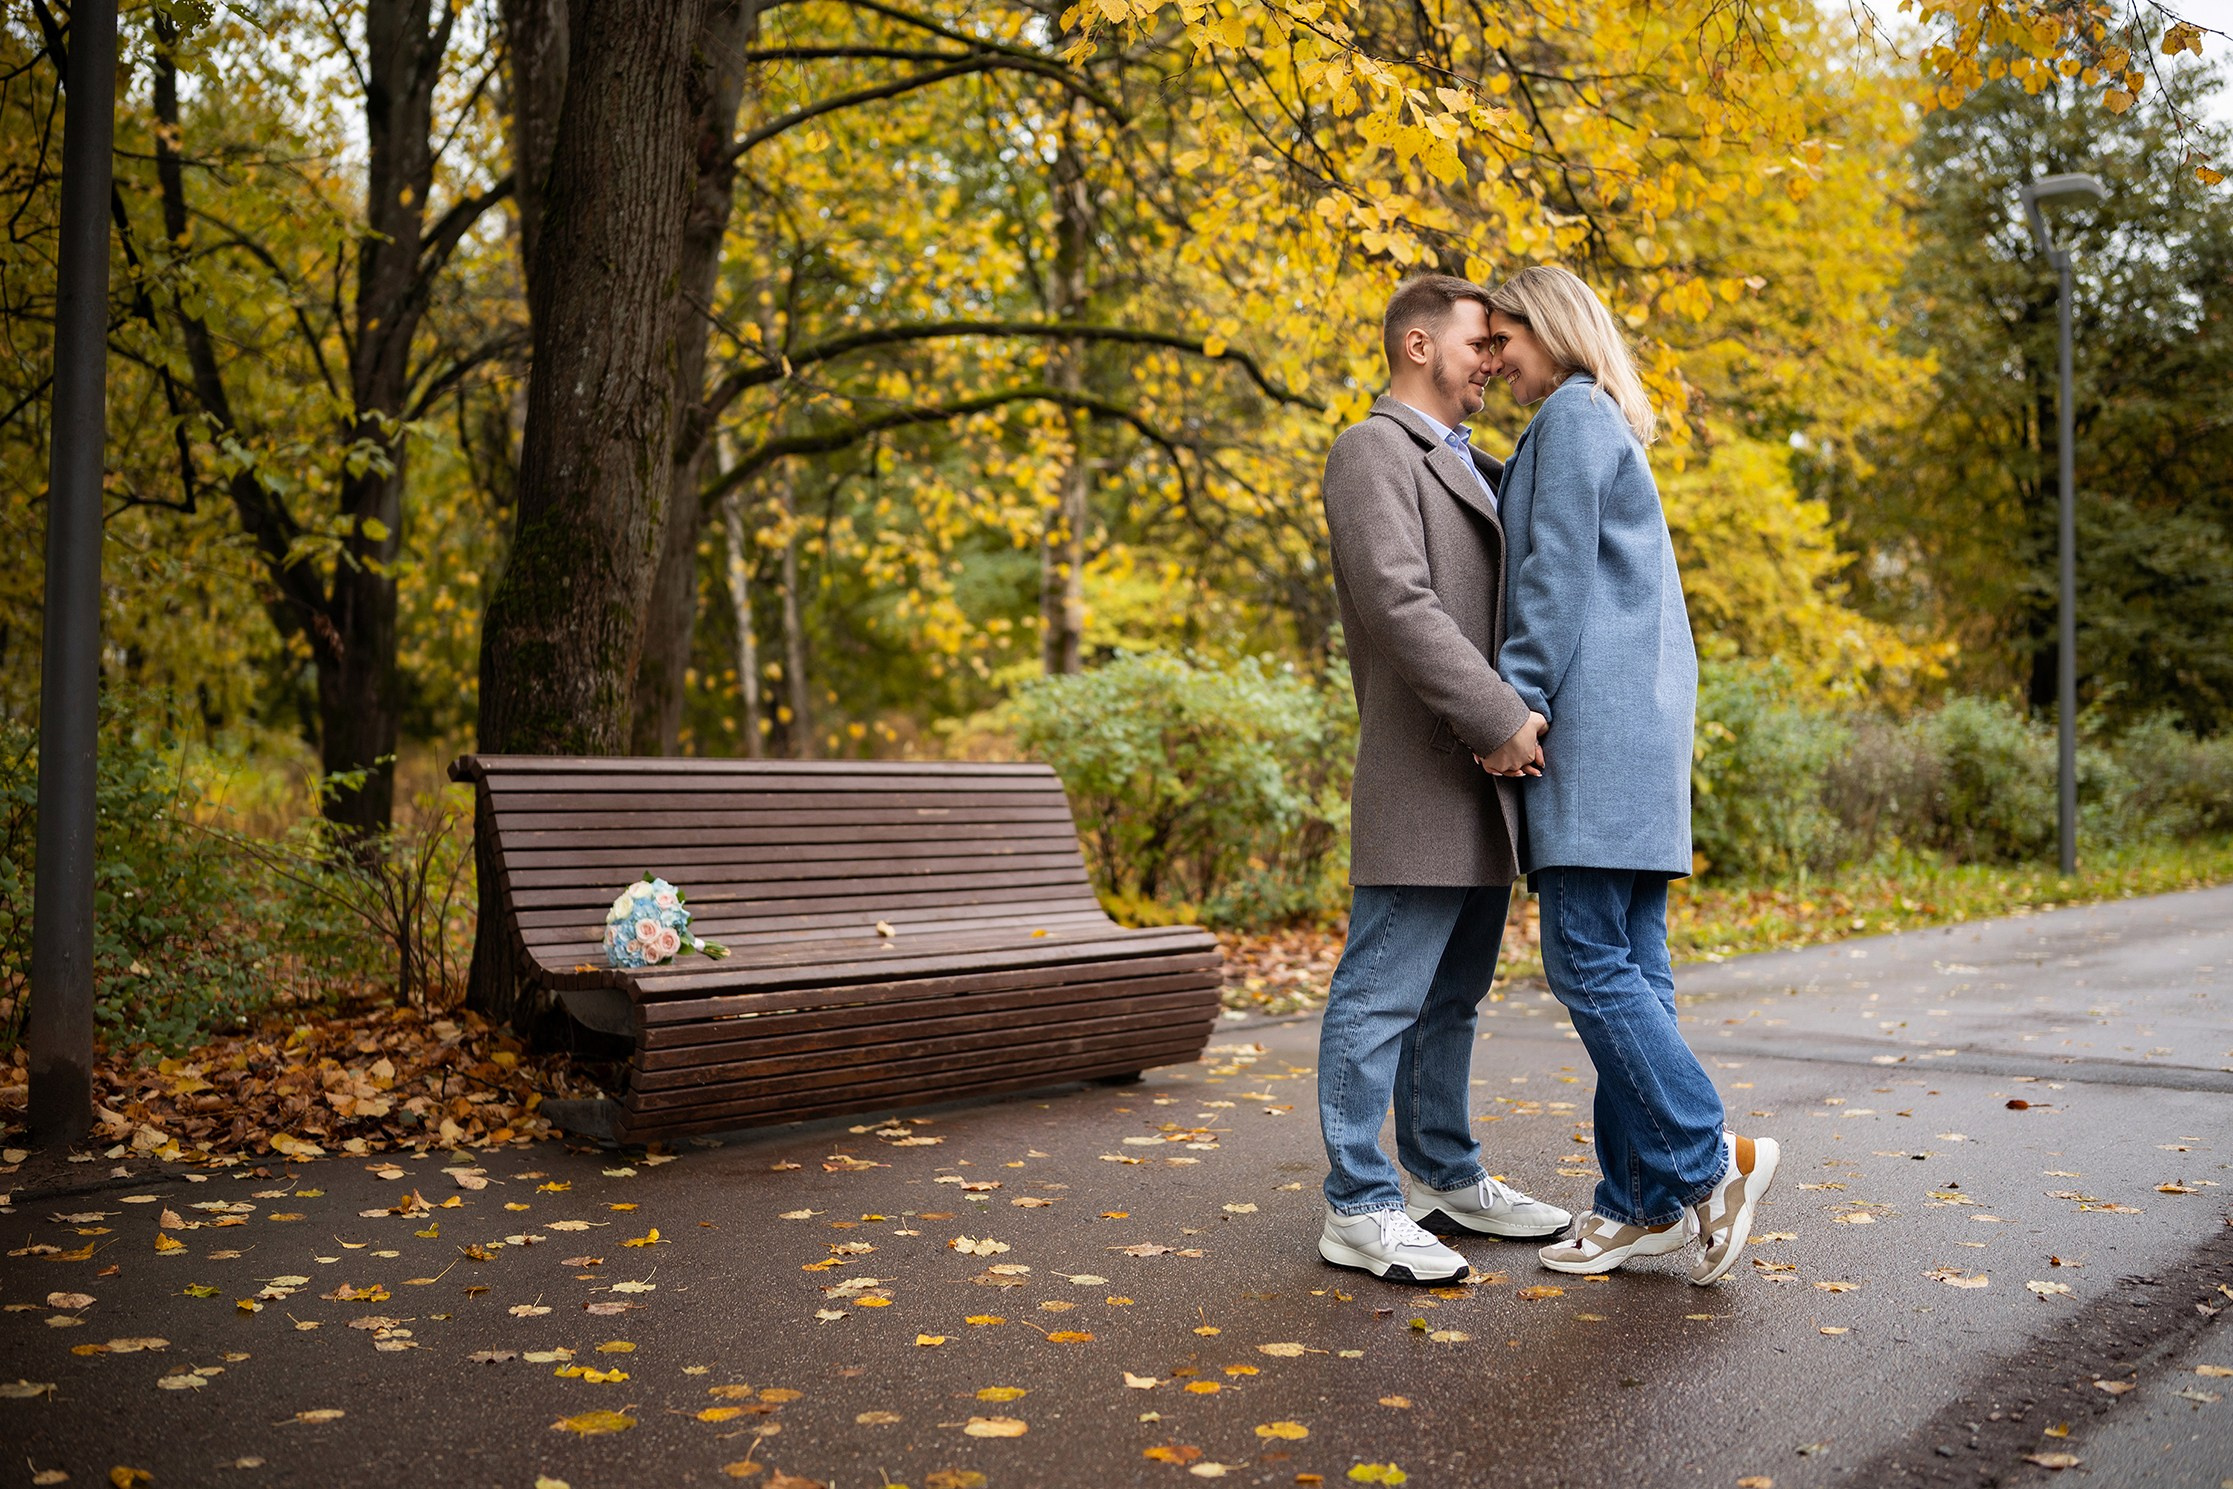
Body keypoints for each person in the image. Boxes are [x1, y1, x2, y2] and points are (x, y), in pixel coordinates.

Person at [1484, 264, 1778, 1284]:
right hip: (1642, 736)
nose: (1495, 359)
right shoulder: (1599, 417)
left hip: (1594, 734)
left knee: (1584, 960)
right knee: (1633, 970)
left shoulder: (1571, 415)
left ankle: (1708, 1160)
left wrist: (1517, 700)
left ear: (1548, 326)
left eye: (1504, 337)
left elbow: (1553, 572)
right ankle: (1638, 1202)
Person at [1314, 273, 1571, 1283]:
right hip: (1427, 771)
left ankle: (1443, 1174)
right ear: (1417, 344)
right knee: (1379, 994)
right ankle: (1356, 1203)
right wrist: (1499, 717)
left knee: (1451, 999)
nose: (1494, 362)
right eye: (1479, 343)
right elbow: (1399, 602)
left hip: (1482, 786)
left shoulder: (1479, 461)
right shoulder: (1371, 449)